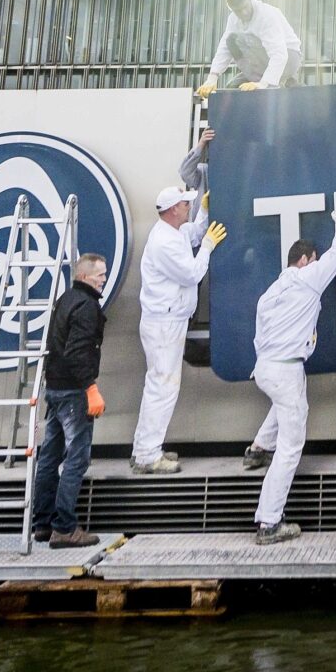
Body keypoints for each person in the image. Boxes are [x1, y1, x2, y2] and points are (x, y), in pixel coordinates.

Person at [242, 201, 336, 545]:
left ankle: (258, 448)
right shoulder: (308, 280)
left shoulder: (270, 292)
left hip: (265, 367)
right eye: (314, 259)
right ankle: (268, 522)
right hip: (286, 368)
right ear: (306, 259)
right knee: (291, 448)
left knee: (286, 400)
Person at [131, 185, 226, 475]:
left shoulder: (173, 232)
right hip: (164, 324)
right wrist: (209, 246)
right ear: (174, 210)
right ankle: (148, 455)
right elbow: (192, 273)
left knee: (159, 387)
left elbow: (195, 233)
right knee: (163, 388)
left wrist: (205, 211)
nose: (189, 207)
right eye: (186, 204)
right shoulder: (165, 243)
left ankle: (145, 448)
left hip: (166, 321)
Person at [30, 251, 110, 549]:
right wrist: (90, 388)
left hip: (55, 388)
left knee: (50, 457)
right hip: (75, 392)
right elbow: (77, 351)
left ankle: (43, 524)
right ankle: (64, 528)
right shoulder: (87, 307)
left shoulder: (65, 299)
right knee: (76, 458)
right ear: (84, 276)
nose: (103, 279)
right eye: (100, 274)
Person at [198, 0, 303, 93]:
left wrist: (264, 83)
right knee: (234, 86)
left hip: (289, 58)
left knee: (237, 39)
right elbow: (224, 49)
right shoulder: (233, 19)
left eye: (245, 7)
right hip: (264, 62)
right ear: (231, 9)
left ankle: (279, 81)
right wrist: (212, 78)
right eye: (238, 11)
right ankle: (279, 81)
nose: (244, 12)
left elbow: (279, 54)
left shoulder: (266, 15)